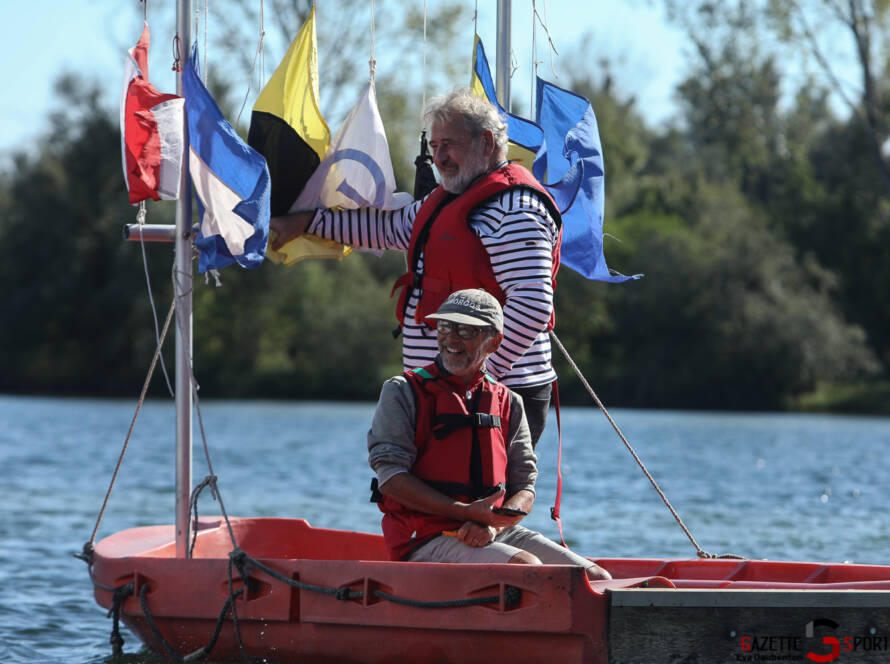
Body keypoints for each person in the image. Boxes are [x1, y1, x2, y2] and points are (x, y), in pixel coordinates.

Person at [270, 88, 562, 448]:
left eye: (448, 145)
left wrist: (476, 377)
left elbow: (532, 305)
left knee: (474, 501)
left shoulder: (515, 209)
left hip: (496, 392)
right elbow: (386, 229)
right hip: (445, 390)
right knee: (428, 499)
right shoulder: (447, 199)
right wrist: (304, 222)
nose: (439, 158)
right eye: (435, 147)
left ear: (486, 142)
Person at [367, 288, 610, 580]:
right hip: (424, 537)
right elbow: (391, 479)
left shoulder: (509, 402)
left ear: (494, 342)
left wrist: (492, 526)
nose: (452, 338)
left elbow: (525, 488)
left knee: (596, 578)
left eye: (467, 330)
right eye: (445, 327)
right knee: (527, 568)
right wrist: (464, 512)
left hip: (492, 531)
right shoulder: (401, 391)